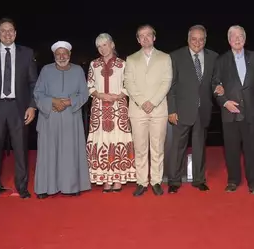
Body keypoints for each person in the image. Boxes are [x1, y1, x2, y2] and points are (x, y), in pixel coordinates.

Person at [0, 17, 38, 201]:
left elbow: (33, 82)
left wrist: (32, 106)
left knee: (21, 150)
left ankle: (22, 187)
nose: (7, 33)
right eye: (3, 30)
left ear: (15, 33)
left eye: (10, 30)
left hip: (18, 108)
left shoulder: (26, 53)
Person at [33, 41, 90, 198]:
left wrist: (67, 102)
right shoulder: (46, 70)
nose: (61, 56)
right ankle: (45, 187)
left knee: (70, 152)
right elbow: (38, 93)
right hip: (49, 116)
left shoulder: (78, 70)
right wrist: (53, 101)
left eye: (64, 53)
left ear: (70, 55)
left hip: (70, 117)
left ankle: (71, 186)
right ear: (54, 56)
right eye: (58, 54)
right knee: (48, 152)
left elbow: (84, 93)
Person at [166, 25, 219, 193]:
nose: (197, 42)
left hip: (203, 110)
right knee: (177, 147)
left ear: (205, 40)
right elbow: (171, 86)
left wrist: (220, 87)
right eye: (194, 39)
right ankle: (174, 181)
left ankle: (198, 179)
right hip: (181, 111)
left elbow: (215, 81)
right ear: (188, 39)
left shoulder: (214, 57)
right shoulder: (175, 56)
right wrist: (171, 110)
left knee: (199, 147)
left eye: (201, 39)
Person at [211, 25, 254, 193]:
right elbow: (215, 84)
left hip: (252, 112)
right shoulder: (221, 60)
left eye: (240, 36)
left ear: (245, 38)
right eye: (233, 36)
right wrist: (224, 102)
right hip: (230, 112)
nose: (237, 39)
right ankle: (233, 180)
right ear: (228, 40)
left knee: (253, 149)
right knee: (231, 149)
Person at [123, 24, 172, 197]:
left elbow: (167, 81)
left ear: (154, 37)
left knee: (158, 147)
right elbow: (128, 82)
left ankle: (156, 181)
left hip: (159, 109)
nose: (145, 38)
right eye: (141, 36)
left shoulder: (165, 58)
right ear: (137, 40)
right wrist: (143, 102)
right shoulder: (131, 59)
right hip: (138, 110)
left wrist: (154, 102)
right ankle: (141, 182)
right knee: (140, 148)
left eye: (148, 35)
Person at [86, 33, 136, 192]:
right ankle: (104, 178)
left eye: (105, 45)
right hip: (99, 108)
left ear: (112, 45)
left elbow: (130, 84)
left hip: (118, 108)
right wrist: (99, 94)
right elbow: (89, 86)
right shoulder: (94, 64)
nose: (102, 49)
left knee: (118, 139)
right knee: (101, 141)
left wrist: (119, 95)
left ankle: (118, 179)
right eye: (99, 46)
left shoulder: (123, 64)